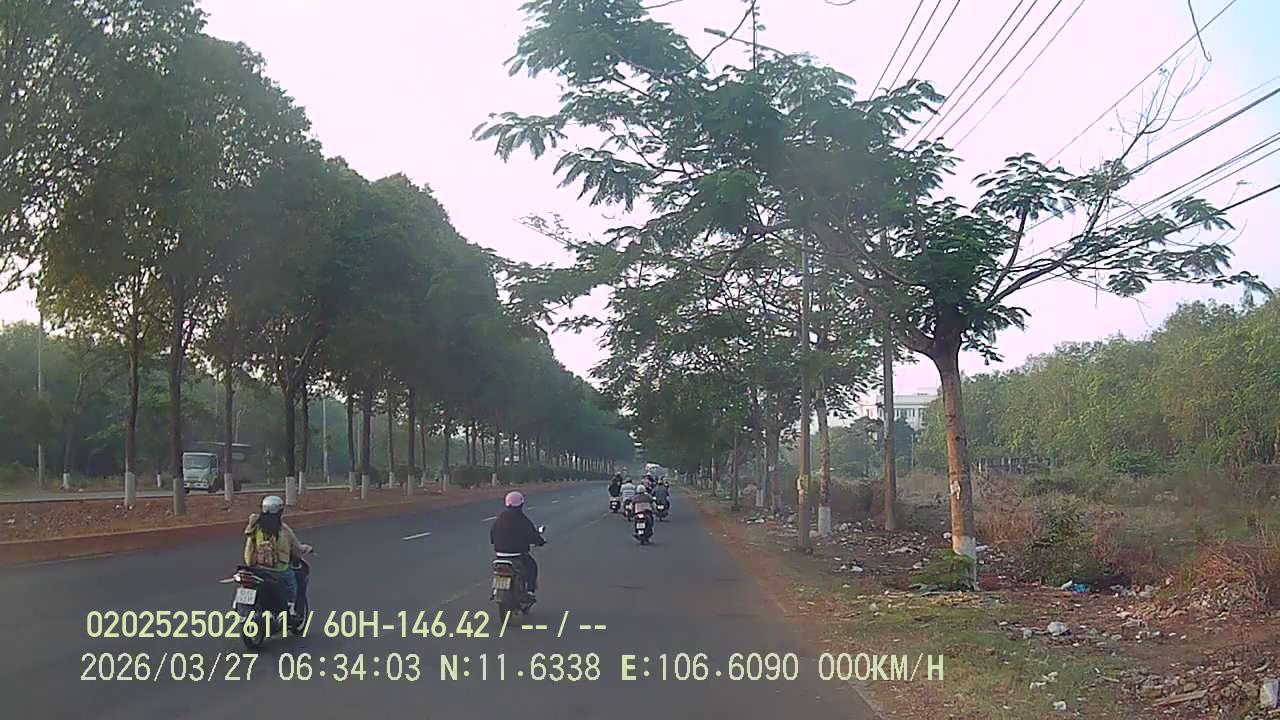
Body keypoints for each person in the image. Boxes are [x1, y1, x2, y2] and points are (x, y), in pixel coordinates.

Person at [243, 495, 311, 610]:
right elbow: (295, 548)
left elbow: (249, 546)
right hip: (279, 570)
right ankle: (290, 607)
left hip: (257, 569)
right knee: (292, 584)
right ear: (280, 512)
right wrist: (306, 549)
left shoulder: (254, 527)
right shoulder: (284, 530)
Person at [490, 491, 546, 596]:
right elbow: (532, 535)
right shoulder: (522, 519)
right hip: (517, 555)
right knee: (532, 566)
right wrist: (540, 541)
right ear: (521, 504)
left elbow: (492, 537)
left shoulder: (499, 519)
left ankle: (496, 591)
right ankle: (530, 590)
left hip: (500, 555)